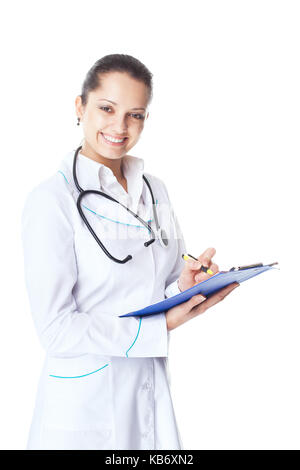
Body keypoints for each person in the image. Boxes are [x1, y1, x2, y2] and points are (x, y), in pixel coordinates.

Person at [21, 53, 239, 450]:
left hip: (149, 391)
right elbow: (55, 330)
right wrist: (160, 327)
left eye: (135, 114)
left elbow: (168, 280)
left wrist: (189, 283)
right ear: (79, 107)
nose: (120, 127)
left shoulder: (155, 190)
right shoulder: (50, 200)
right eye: (107, 108)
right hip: (84, 409)